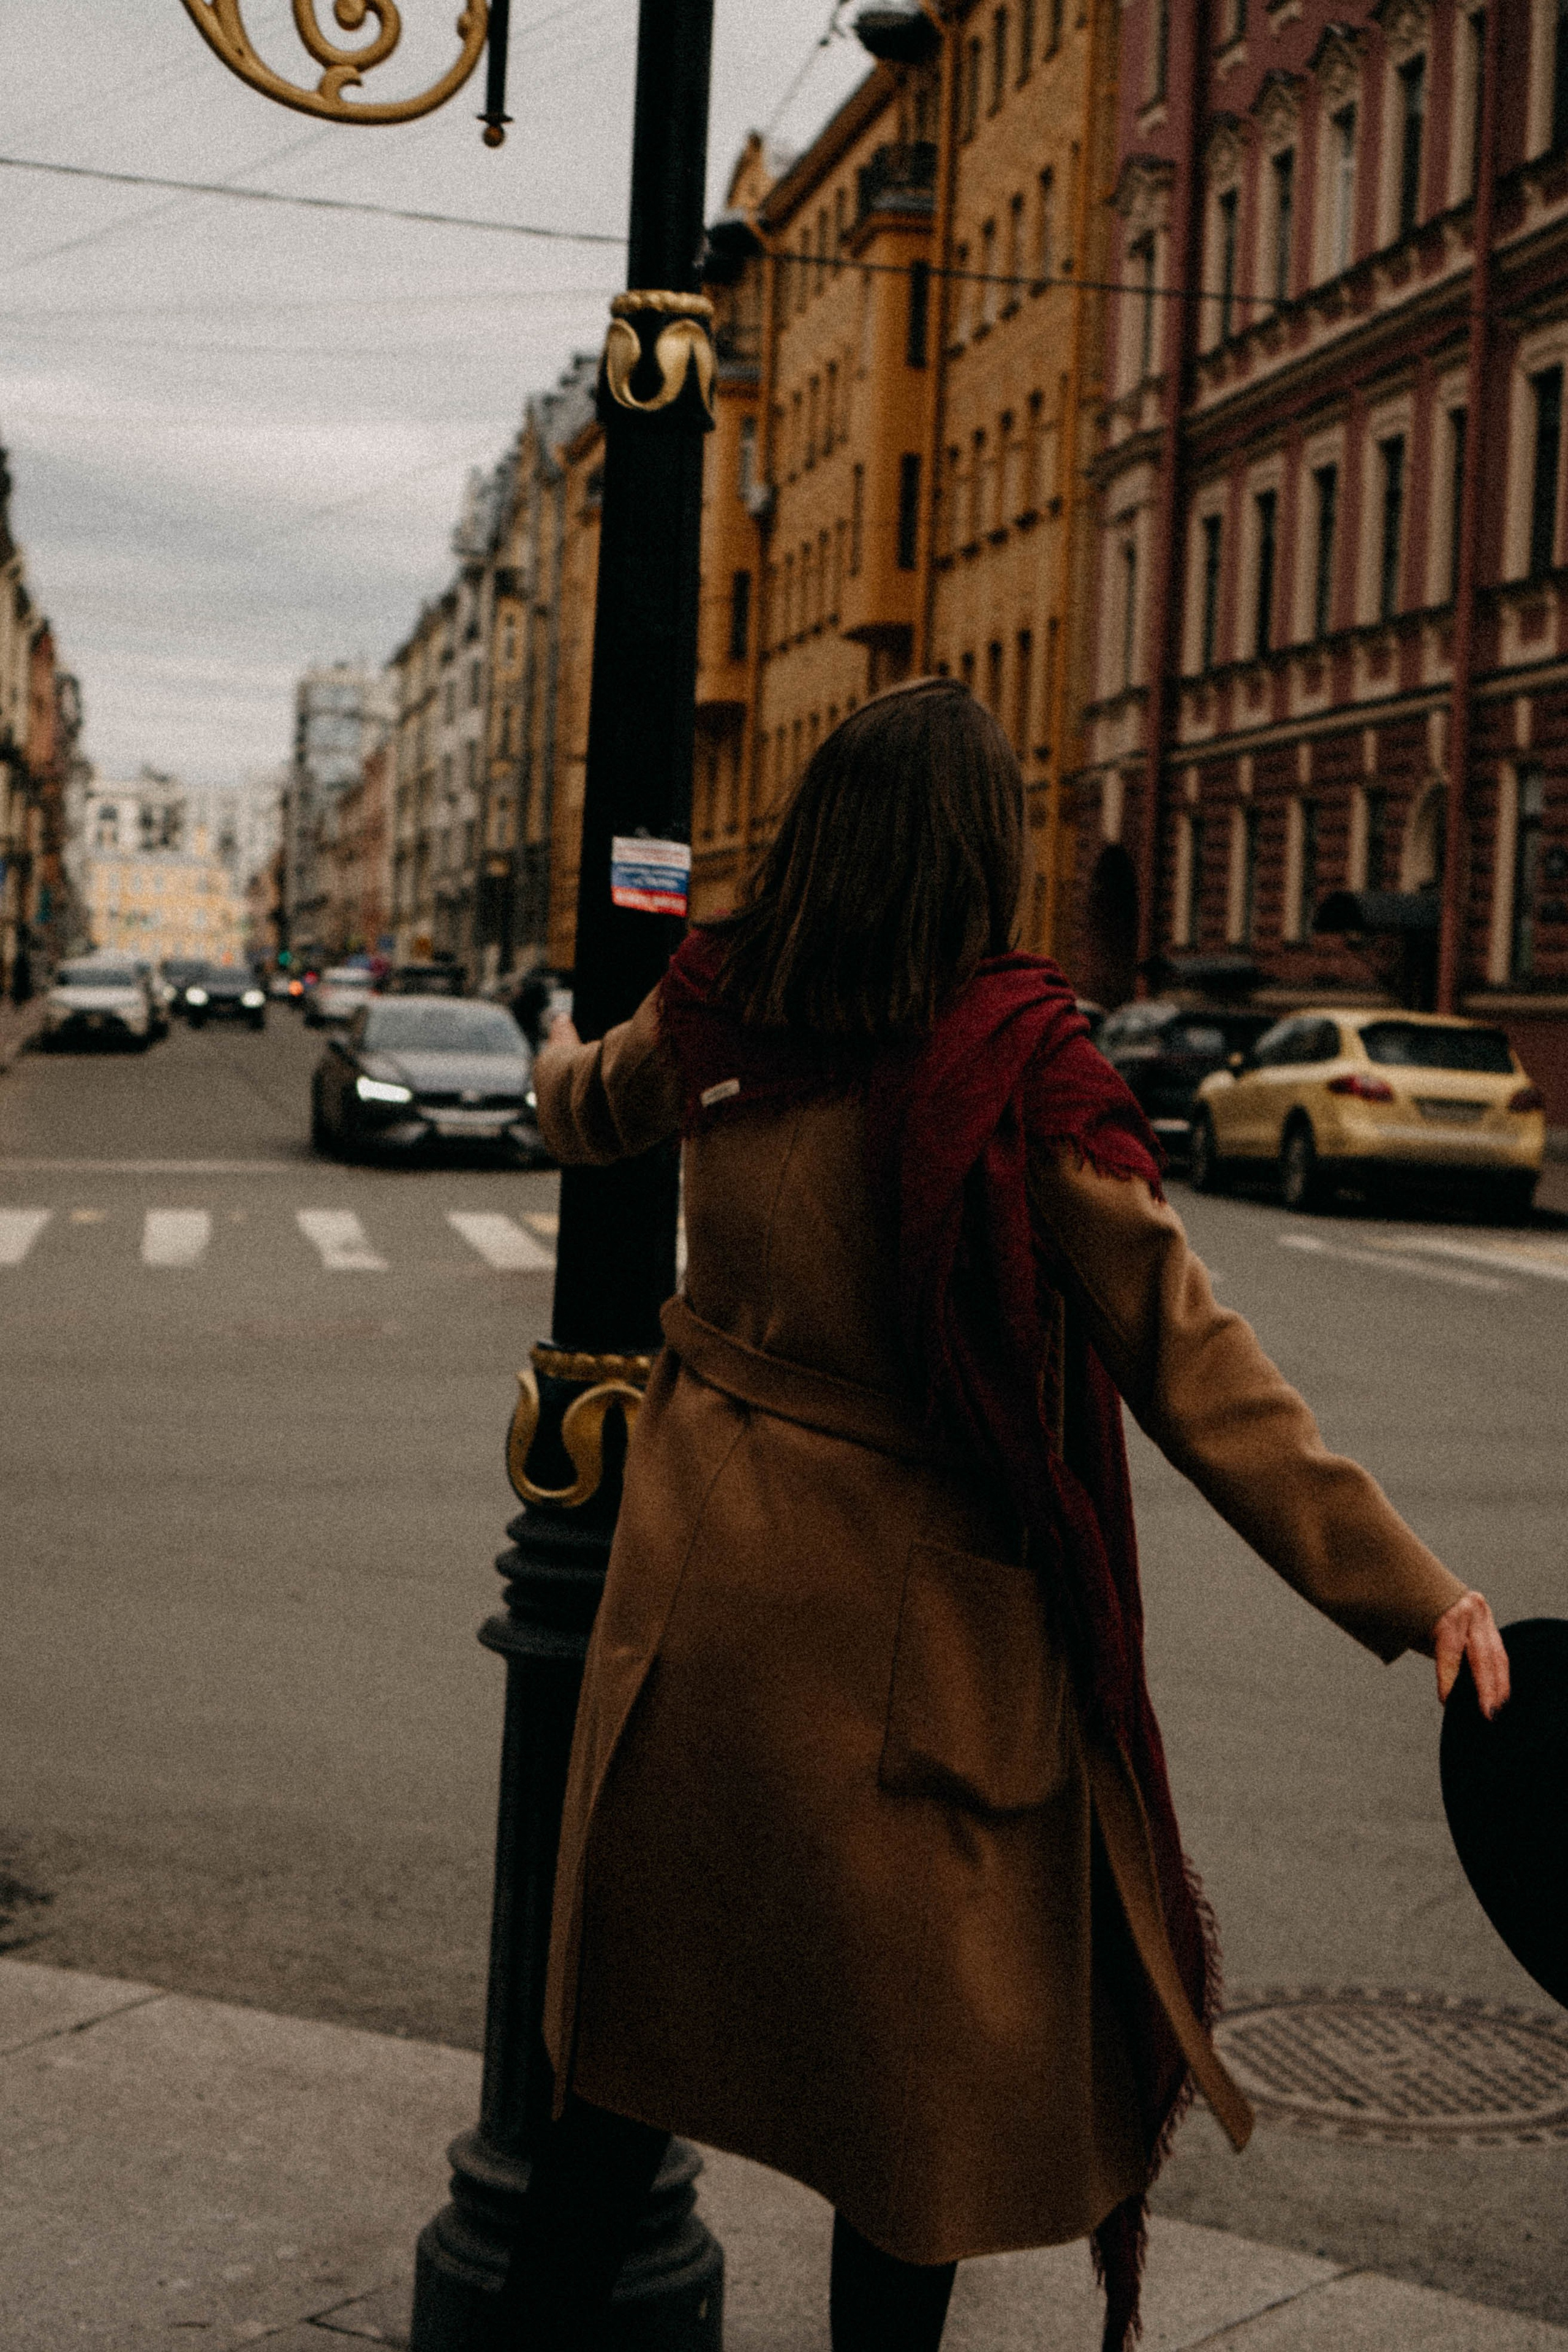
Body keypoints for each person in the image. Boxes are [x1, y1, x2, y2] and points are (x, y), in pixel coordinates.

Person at [498, 680, 1509, 2352]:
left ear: (823, 828)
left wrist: (548, 1043)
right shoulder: (1020, 1067)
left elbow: (582, 1106)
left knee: (622, 2074)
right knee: (904, 2141)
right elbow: (1199, 1372)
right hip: (909, 1663)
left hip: (696, 1633)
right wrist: (1417, 1595)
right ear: (984, 858)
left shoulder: (719, 1005)